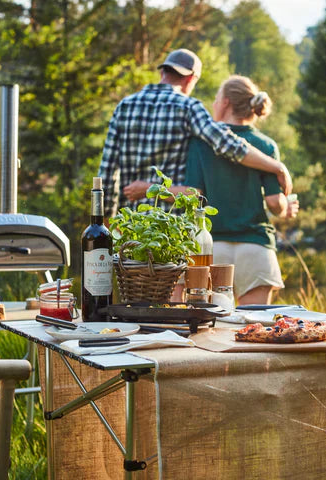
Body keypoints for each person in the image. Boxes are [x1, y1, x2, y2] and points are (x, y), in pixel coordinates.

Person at [98, 48, 292, 218]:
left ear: (163, 72)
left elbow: (107, 172)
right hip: (169, 229)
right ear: (191, 78)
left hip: (130, 225)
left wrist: (108, 224)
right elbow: (229, 145)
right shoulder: (188, 106)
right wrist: (277, 167)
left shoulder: (124, 106)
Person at [182, 75, 299, 305]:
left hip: (212, 249)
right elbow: (275, 203)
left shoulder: (200, 144)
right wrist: (286, 208)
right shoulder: (266, 145)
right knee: (252, 329)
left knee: (210, 331)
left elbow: (192, 193)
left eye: (216, 99)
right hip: (255, 248)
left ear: (225, 102)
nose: (213, 105)